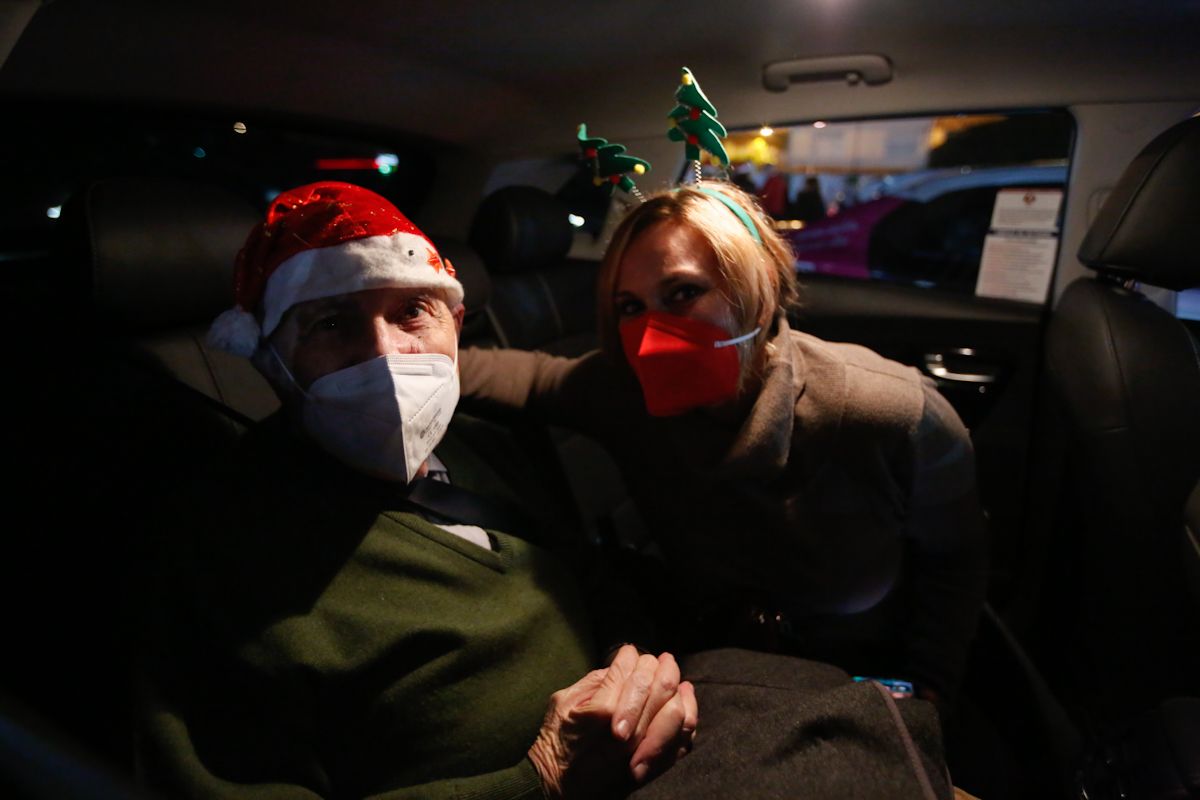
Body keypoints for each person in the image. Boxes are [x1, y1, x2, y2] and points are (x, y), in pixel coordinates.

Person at [133, 181, 698, 800]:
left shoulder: (485, 447)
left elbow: (588, 573)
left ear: (455, 324)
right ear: (273, 361)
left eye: (410, 312)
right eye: (330, 322)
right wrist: (542, 775)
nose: (385, 354)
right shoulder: (220, 552)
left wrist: (638, 674)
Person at [459, 182, 989, 719]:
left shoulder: (889, 411)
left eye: (683, 293)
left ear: (755, 289)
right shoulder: (624, 393)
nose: (650, 334)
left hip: (866, 669)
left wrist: (931, 688)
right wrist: (405, 356)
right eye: (629, 306)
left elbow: (956, 560)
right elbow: (530, 378)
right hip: (720, 670)